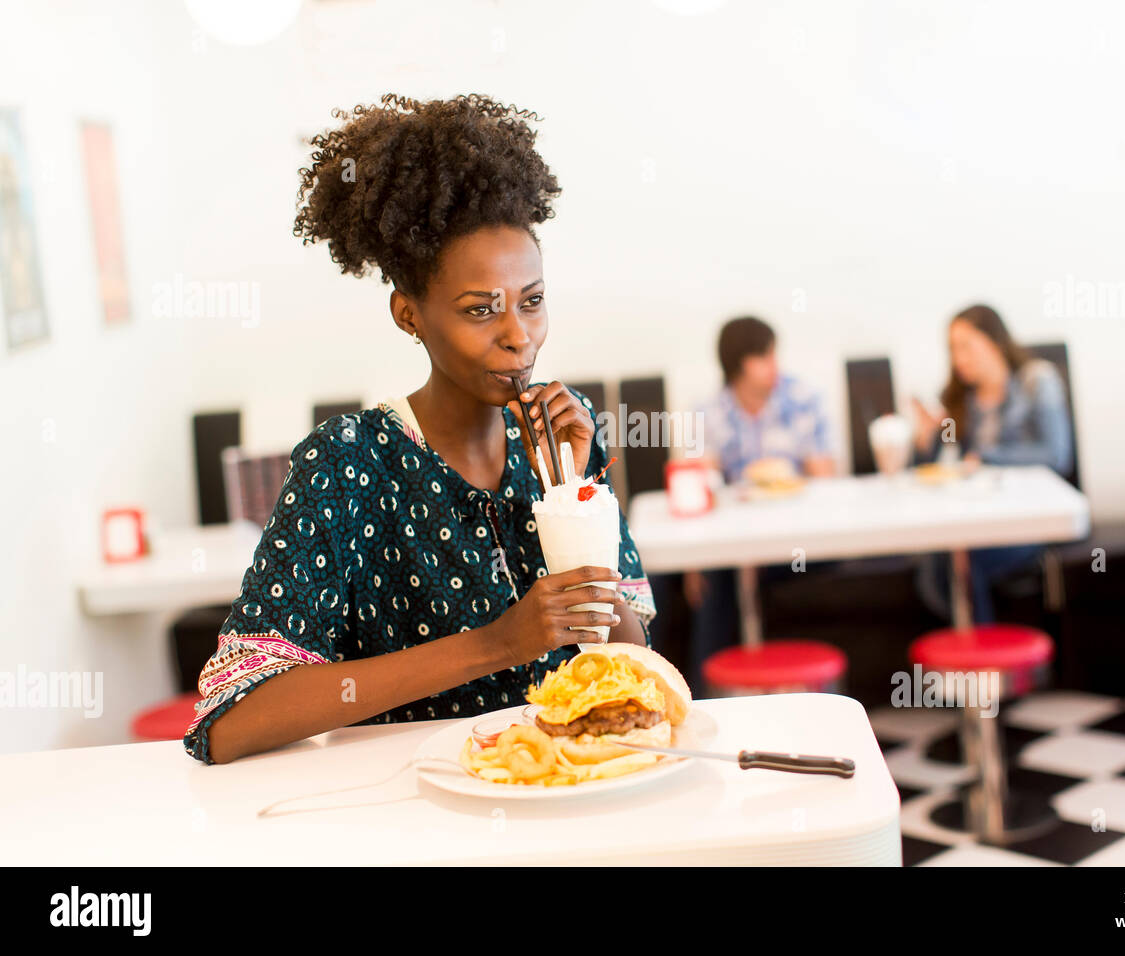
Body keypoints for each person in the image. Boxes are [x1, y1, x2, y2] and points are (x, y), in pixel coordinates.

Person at [183, 94, 655, 765]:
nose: (518, 336)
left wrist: (570, 496)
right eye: (479, 309)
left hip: (569, 791)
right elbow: (232, 720)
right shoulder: (347, 464)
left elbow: (634, 665)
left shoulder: (563, 435)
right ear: (409, 314)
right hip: (413, 818)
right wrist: (498, 644)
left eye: (533, 301)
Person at [676, 316, 835, 688]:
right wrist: (695, 562)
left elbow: (826, 480)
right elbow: (702, 488)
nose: (774, 367)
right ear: (740, 365)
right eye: (765, 358)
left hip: (802, 542)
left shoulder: (802, 400)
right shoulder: (708, 413)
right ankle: (700, 700)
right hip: (738, 547)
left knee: (727, 572)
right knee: (715, 574)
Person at [911, 303, 1074, 623]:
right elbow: (935, 467)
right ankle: (964, 656)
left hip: (1030, 518)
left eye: (966, 346)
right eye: (952, 349)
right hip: (976, 519)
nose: (959, 359)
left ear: (995, 341)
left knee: (961, 562)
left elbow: (1057, 456)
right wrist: (926, 438)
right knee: (940, 559)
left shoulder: (1036, 380)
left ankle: (979, 659)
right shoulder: (960, 400)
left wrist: (987, 456)